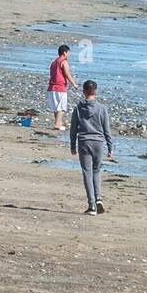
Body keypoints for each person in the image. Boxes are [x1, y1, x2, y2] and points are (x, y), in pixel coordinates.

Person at [70, 80, 114, 215]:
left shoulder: (78, 108)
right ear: (95, 91)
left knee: (87, 173)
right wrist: (110, 146)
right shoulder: (102, 108)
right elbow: (107, 129)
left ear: (84, 92)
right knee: (96, 171)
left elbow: (73, 129)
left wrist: (73, 144)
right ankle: (99, 198)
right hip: (98, 143)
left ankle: (92, 205)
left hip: (84, 142)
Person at [48, 44, 80, 130]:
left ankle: (58, 123)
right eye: (68, 53)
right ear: (65, 53)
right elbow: (67, 74)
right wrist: (74, 84)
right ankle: (57, 124)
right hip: (60, 87)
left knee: (56, 108)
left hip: (51, 87)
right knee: (61, 107)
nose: (68, 55)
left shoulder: (54, 62)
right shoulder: (64, 62)